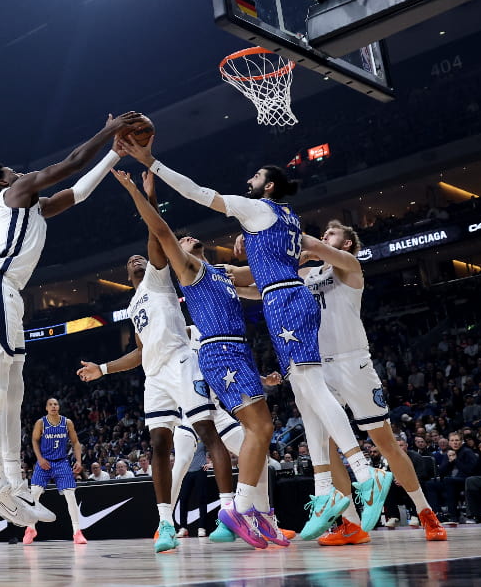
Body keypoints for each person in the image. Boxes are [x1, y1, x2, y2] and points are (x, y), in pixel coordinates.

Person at [117, 133, 386, 545]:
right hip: (218, 351)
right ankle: (245, 509)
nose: (248, 182)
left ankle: (272, 506)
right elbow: (161, 230)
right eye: (185, 239)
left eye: (256, 176)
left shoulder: (223, 269)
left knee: (274, 418)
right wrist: (142, 190)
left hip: (256, 331)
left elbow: (261, 275)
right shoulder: (191, 269)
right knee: (262, 424)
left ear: (270, 186)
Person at [0, 112, 139, 528]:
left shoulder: (34, 208)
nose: (23, 172)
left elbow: (77, 190)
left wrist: (114, 155)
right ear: (5, 183)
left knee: (14, 388)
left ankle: (12, 480)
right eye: (15, 171)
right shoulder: (15, 194)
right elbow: (69, 165)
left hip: (8, 294)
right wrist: (107, 131)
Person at [80, 168, 248, 552]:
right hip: (154, 375)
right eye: (131, 261)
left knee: (208, 431)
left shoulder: (158, 279)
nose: (138, 259)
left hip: (181, 363)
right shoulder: (133, 302)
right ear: (126, 275)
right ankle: (165, 523)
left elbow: (157, 232)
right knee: (158, 444)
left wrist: (148, 192)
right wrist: (103, 369)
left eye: (141, 257)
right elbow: (139, 353)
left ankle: (228, 512)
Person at [296, 222, 445, 544]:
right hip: (318, 366)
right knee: (324, 446)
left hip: (353, 363)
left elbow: (319, 249)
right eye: (324, 234)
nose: (324, 236)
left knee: (385, 443)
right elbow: (261, 286)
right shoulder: (306, 276)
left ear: (347, 243)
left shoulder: (350, 267)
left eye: (331, 234)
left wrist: (292, 236)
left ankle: (425, 511)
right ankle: (350, 523)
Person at [20, 398, 86, 545]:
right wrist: (40, 459)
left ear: (59, 407)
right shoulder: (41, 423)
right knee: (34, 494)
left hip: (62, 462)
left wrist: (79, 461)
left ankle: (77, 532)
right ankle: (30, 528)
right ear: (46, 408)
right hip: (44, 463)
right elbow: (34, 440)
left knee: (70, 495)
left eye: (56, 404)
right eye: (50, 404)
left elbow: (75, 442)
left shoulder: (67, 422)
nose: (54, 406)